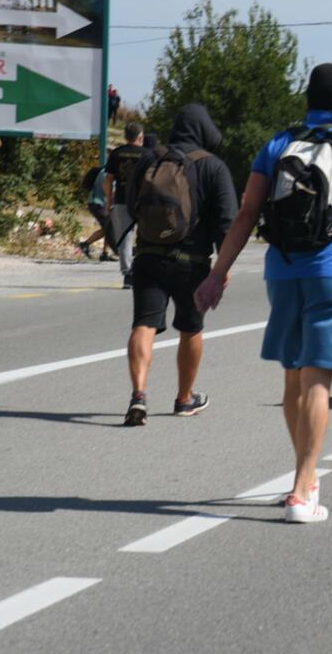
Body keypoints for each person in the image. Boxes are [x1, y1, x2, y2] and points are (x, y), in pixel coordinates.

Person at [195, 63, 332, 524]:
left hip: (283, 272)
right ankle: (301, 489)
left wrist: (218, 273)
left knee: (294, 377)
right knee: (317, 380)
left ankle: (304, 477)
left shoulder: (278, 144)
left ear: (307, 98)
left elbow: (247, 213)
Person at [121, 104, 237, 427]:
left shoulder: (150, 159)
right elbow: (228, 223)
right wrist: (222, 268)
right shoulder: (214, 167)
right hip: (193, 264)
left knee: (143, 324)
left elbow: (131, 204)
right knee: (191, 328)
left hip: (148, 257)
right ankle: (184, 399)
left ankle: (139, 396)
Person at [105, 122, 149, 288]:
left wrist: (109, 201)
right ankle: (145, 272)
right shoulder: (147, 154)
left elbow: (108, 180)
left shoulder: (116, 154)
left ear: (125, 137)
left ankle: (128, 275)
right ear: (140, 137)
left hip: (122, 200)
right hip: (143, 202)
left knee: (125, 239)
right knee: (146, 238)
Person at [76, 166, 115, 261]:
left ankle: (104, 253)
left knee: (108, 228)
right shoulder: (107, 173)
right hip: (99, 204)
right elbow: (109, 190)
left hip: (99, 203)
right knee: (110, 227)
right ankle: (85, 244)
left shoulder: (105, 171)